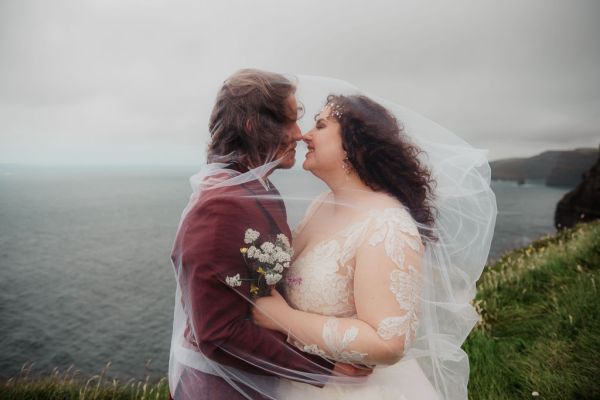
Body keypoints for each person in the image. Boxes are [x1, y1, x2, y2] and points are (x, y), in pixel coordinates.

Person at [251, 92, 497, 399]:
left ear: (353, 145)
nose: (305, 136)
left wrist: (280, 317)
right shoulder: (322, 204)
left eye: (321, 125)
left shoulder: (387, 224)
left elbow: (389, 341)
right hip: (308, 380)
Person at [167, 70, 369, 400]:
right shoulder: (218, 208)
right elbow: (219, 334)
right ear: (253, 127)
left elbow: (260, 290)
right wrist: (323, 368)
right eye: (289, 122)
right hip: (225, 390)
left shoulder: (259, 188)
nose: (300, 135)